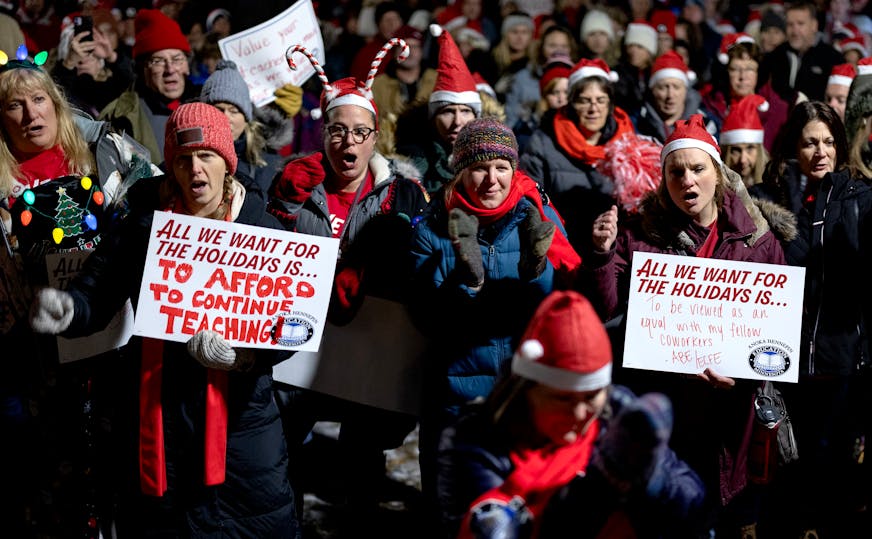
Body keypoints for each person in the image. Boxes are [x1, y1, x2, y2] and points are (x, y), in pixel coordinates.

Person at [28, 102, 300, 537]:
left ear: (226, 164)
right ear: (170, 167)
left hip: (241, 426)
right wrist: (70, 311)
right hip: (157, 416)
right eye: (183, 159)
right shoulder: (142, 226)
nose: (196, 169)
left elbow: (293, 325)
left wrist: (244, 356)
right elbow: (96, 292)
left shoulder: (263, 230)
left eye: (207, 156)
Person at [582, 114, 795, 537]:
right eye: (676, 171)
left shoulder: (759, 240)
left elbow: (778, 332)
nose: (687, 180)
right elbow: (607, 309)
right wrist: (603, 254)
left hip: (735, 414)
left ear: (718, 174)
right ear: (664, 180)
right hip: (672, 409)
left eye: (697, 168)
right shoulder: (640, 235)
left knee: (730, 513)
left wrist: (743, 371)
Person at [268, 44, 430, 524]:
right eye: (338, 130)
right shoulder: (295, 187)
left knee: (363, 459)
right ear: (324, 134)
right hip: (300, 351)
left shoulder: (402, 194)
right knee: (288, 453)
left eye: (360, 132)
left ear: (375, 137)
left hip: (366, 353)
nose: (348, 143)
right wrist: (283, 207)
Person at [409, 117, 582, 521]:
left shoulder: (538, 220)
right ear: (462, 172)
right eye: (479, 168)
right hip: (456, 400)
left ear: (514, 170)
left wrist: (537, 270)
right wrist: (466, 283)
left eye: (501, 168)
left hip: (524, 400)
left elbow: (563, 311)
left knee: (521, 512)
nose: (491, 179)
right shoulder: (433, 228)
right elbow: (424, 316)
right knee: (456, 513)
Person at [438, 290, 707, 539]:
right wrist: (604, 481)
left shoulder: (618, 415)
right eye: (562, 398)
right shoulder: (476, 440)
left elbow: (694, 509)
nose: (580, 413)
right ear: (525, 391)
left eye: (591, 397)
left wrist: (651, 477)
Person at [754, 99, 872, 537]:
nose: (820, 151)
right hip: (779, 362)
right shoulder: (765, 202)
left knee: (835, 467)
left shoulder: (861, 200)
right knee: (786, 470)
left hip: (842, 360)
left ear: (840, 148)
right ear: (792, 149)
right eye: (809, 143)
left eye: (828, 142)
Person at [520, 58, 640, 252]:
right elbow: (530, 202)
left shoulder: (627, 143)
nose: (593, 109)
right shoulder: (543, 142)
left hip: (613, 250)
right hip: (560, 246)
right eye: (584, 101)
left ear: (609, 104)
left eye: (601, 100)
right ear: (572, 103)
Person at [100, 8, 197, 164]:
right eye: (158, 61)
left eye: (177, 59)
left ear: (187, 65)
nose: (170, 69)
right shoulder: (119, 118)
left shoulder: (208, 105)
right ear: (143, 69)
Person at [395, 24, 481, 194]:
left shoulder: (494, 157)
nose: (457, 122)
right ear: (433, 118)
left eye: (465, 111)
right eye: (448, 111)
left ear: (476, 117)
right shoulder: (411, 160)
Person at [200, 59, 292, 195]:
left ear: (246, 118)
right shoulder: (187, 158)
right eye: (219, 110)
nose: (225, 118)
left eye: (234, 111)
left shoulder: (270, 164)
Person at [700, 33, 790, 153]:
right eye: (735, 69)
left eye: (749, 69)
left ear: (759, 72)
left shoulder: (778, 110)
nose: (742, 76)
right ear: (726, 73)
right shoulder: (709, 107)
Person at [758, 1, 843, 103]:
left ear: (814, 25)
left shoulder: (832, 58)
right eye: (790, 24)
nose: (795, 31)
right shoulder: (775, 56)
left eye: (800, 24)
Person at [504, 25, 577, 136]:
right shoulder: (522, 78)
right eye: (552, 45)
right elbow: (510, 119)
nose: (558, 50)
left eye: (564, 46)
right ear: (541, 47)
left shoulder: (577, 78)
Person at [636, 50, 719, 144]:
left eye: (676, 87)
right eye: (663, 87)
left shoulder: (706, 125)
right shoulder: (637, 125)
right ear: (653, 91)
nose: (670, 95)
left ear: (685, 90)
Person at [720, 94, 770, 188]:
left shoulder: (774, 184)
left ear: (759, 150)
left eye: (750, 148)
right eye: (736, 150)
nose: (743, 160)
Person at [612, 20, 658, 119]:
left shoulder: (657, 74)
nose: (633, 51)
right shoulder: (618, 73)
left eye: (639, 47)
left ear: (649, 51)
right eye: (630, 46)